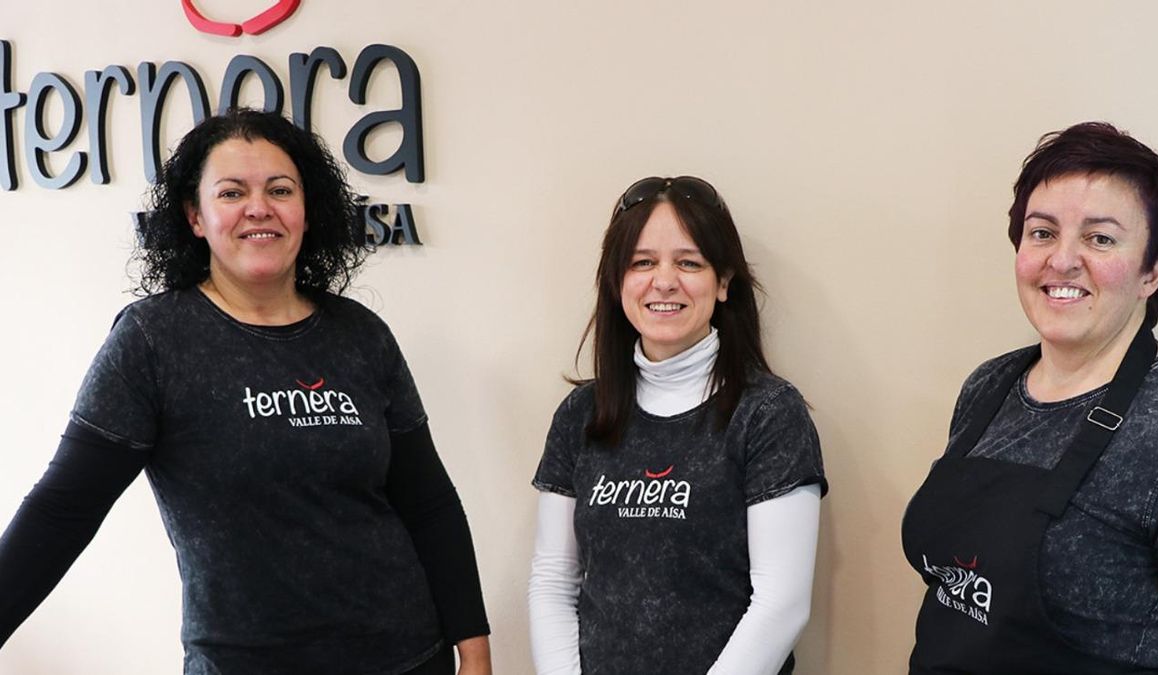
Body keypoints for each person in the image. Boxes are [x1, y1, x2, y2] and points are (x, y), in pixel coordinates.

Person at [0, 109, 492, 675]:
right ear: (195, 217)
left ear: (307, 211)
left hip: (407, 657)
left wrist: (474, 649)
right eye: (232, 192)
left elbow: (428, 502)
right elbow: (63, 509)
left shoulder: (361, 334)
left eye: (280, 190)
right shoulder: (153, 340)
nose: (259, 208)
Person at [902, 122, 1158, 674]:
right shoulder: (989, 386)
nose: (1061, 261)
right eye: (1042, 232)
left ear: (1153, 270)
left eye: (1100, 238)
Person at [527, 175, 827, 675]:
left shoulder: (769, 414)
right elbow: (553, 579)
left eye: (688, 262)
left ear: (723, 282)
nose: (664, 281)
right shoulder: (581, 413)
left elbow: (782, 603)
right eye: (642, 262)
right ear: (616, 282)